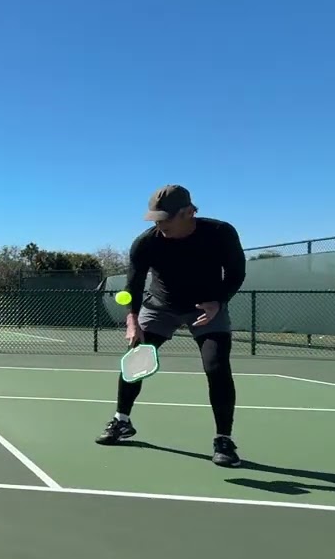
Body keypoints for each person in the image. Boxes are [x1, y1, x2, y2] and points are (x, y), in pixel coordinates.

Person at [95, 185, 247, 467]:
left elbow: (237, 273)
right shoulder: (146, 242)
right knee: (135, 360)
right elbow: (134, 285)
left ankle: (223, 439)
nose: (159, 224)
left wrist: (219, 301)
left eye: (165, 218)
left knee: (216, 366)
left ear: (189, 212)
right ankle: (121, 421)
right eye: (155, 218)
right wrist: (132, 320)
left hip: (206, 307)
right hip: (160, 306)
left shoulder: (220, 233)